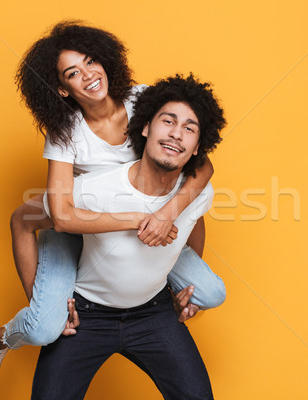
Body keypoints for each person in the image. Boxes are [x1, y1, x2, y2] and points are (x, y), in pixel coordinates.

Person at [0, 21, 225, 392]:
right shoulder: (65, 133)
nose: (88, 75)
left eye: (91, 61)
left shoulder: (145, 102)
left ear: (106, 61)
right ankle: (2, 339)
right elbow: (62, 215)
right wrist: (46, 307)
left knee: (211, 291)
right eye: (73, 73)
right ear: (61, 88)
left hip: (148, 219)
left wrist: (166, 218)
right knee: (44, 326)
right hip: (85, 218)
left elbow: (200, 173)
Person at [31, 73, 225, 399]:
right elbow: (24, 221)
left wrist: (185, 290)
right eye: (168, 122)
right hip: (86, 317)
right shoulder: (90, 191)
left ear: (196, 149)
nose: (176, 134)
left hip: (154, 315)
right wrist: (41, 308)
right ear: (146, 127)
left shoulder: (199, 194)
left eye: (189, 129)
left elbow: (195, 222)